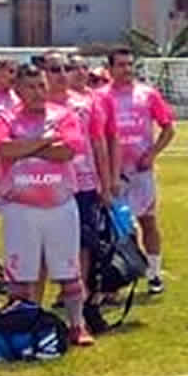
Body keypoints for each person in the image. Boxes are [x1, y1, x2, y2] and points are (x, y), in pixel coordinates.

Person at [0, 62, 94, 344]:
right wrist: (43, 142)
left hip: (60, 205)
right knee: (20, 276)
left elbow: (68, 151)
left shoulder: (64, 115)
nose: (37, 92)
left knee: (69, 272)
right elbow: (3, 149)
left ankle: (77, 325)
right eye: (30, 87)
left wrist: (26, 147)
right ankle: (24, 324)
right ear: (18, 90)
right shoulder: (4, 118)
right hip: (20, 207)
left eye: (41, 86)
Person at [101, 47, 176, 293]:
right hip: (113, 174)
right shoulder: (99, 97)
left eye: (130, 64)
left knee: (148, 221)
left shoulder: (147, 94)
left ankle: (154, 274)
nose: (126, 70)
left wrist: (152, 153)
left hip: (141, 172)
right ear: (109, 69)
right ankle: (123, 272)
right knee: (117, 227)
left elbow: (168, 128)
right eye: (121, 65)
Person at [52, 53, 116, 305]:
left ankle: (81, 287)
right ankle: (61, 287)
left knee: (84, 238)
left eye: (64, 69)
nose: (61, 74)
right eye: (56, 69)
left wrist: (105, 181)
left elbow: (99, 142)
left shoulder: (85, 104)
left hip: (83, 180)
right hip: (47, 183)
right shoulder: (35, 104)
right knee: (55, 239)